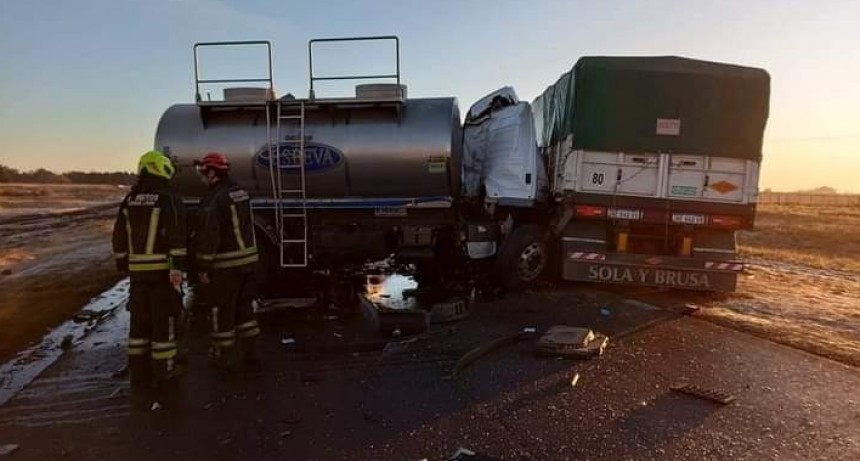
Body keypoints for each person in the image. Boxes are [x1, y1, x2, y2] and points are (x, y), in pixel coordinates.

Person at [112, 150, 187, 388]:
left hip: (138, 274)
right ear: (159, 168)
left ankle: (139, 373)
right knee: (163, 322)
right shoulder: (168, 198)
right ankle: (164, 372)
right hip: (162, 273)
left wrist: (123, 262)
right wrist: (178, 268)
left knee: (139, 323)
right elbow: (177, 235)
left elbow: (119, 234)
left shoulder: (130, 199)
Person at [193, 152, 262, 371]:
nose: (203, 177)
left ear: (213, 173)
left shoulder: (213, 199)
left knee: (223, 311)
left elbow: (209, 235)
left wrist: (203, 266)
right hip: (248, 263)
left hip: (225, 266)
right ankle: (251, 353)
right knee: (244, 309)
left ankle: (224, 357)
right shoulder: (241, 192)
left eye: (204, 172)